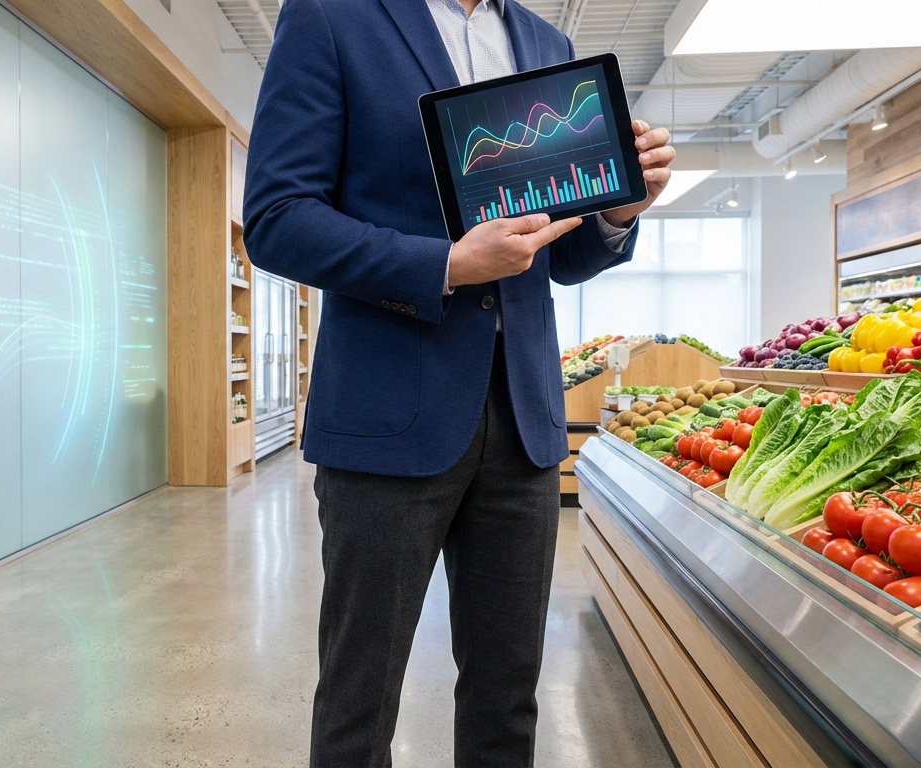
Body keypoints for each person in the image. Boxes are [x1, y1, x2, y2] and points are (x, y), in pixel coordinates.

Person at [243, 0, 674, 764]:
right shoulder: (332, 17)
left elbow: (556, 255)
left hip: (525, 416)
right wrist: (443, 265)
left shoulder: (545, 41)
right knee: (360, 698)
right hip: (386, 415)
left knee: (508, 695)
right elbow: (278, 215)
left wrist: (618, 212)